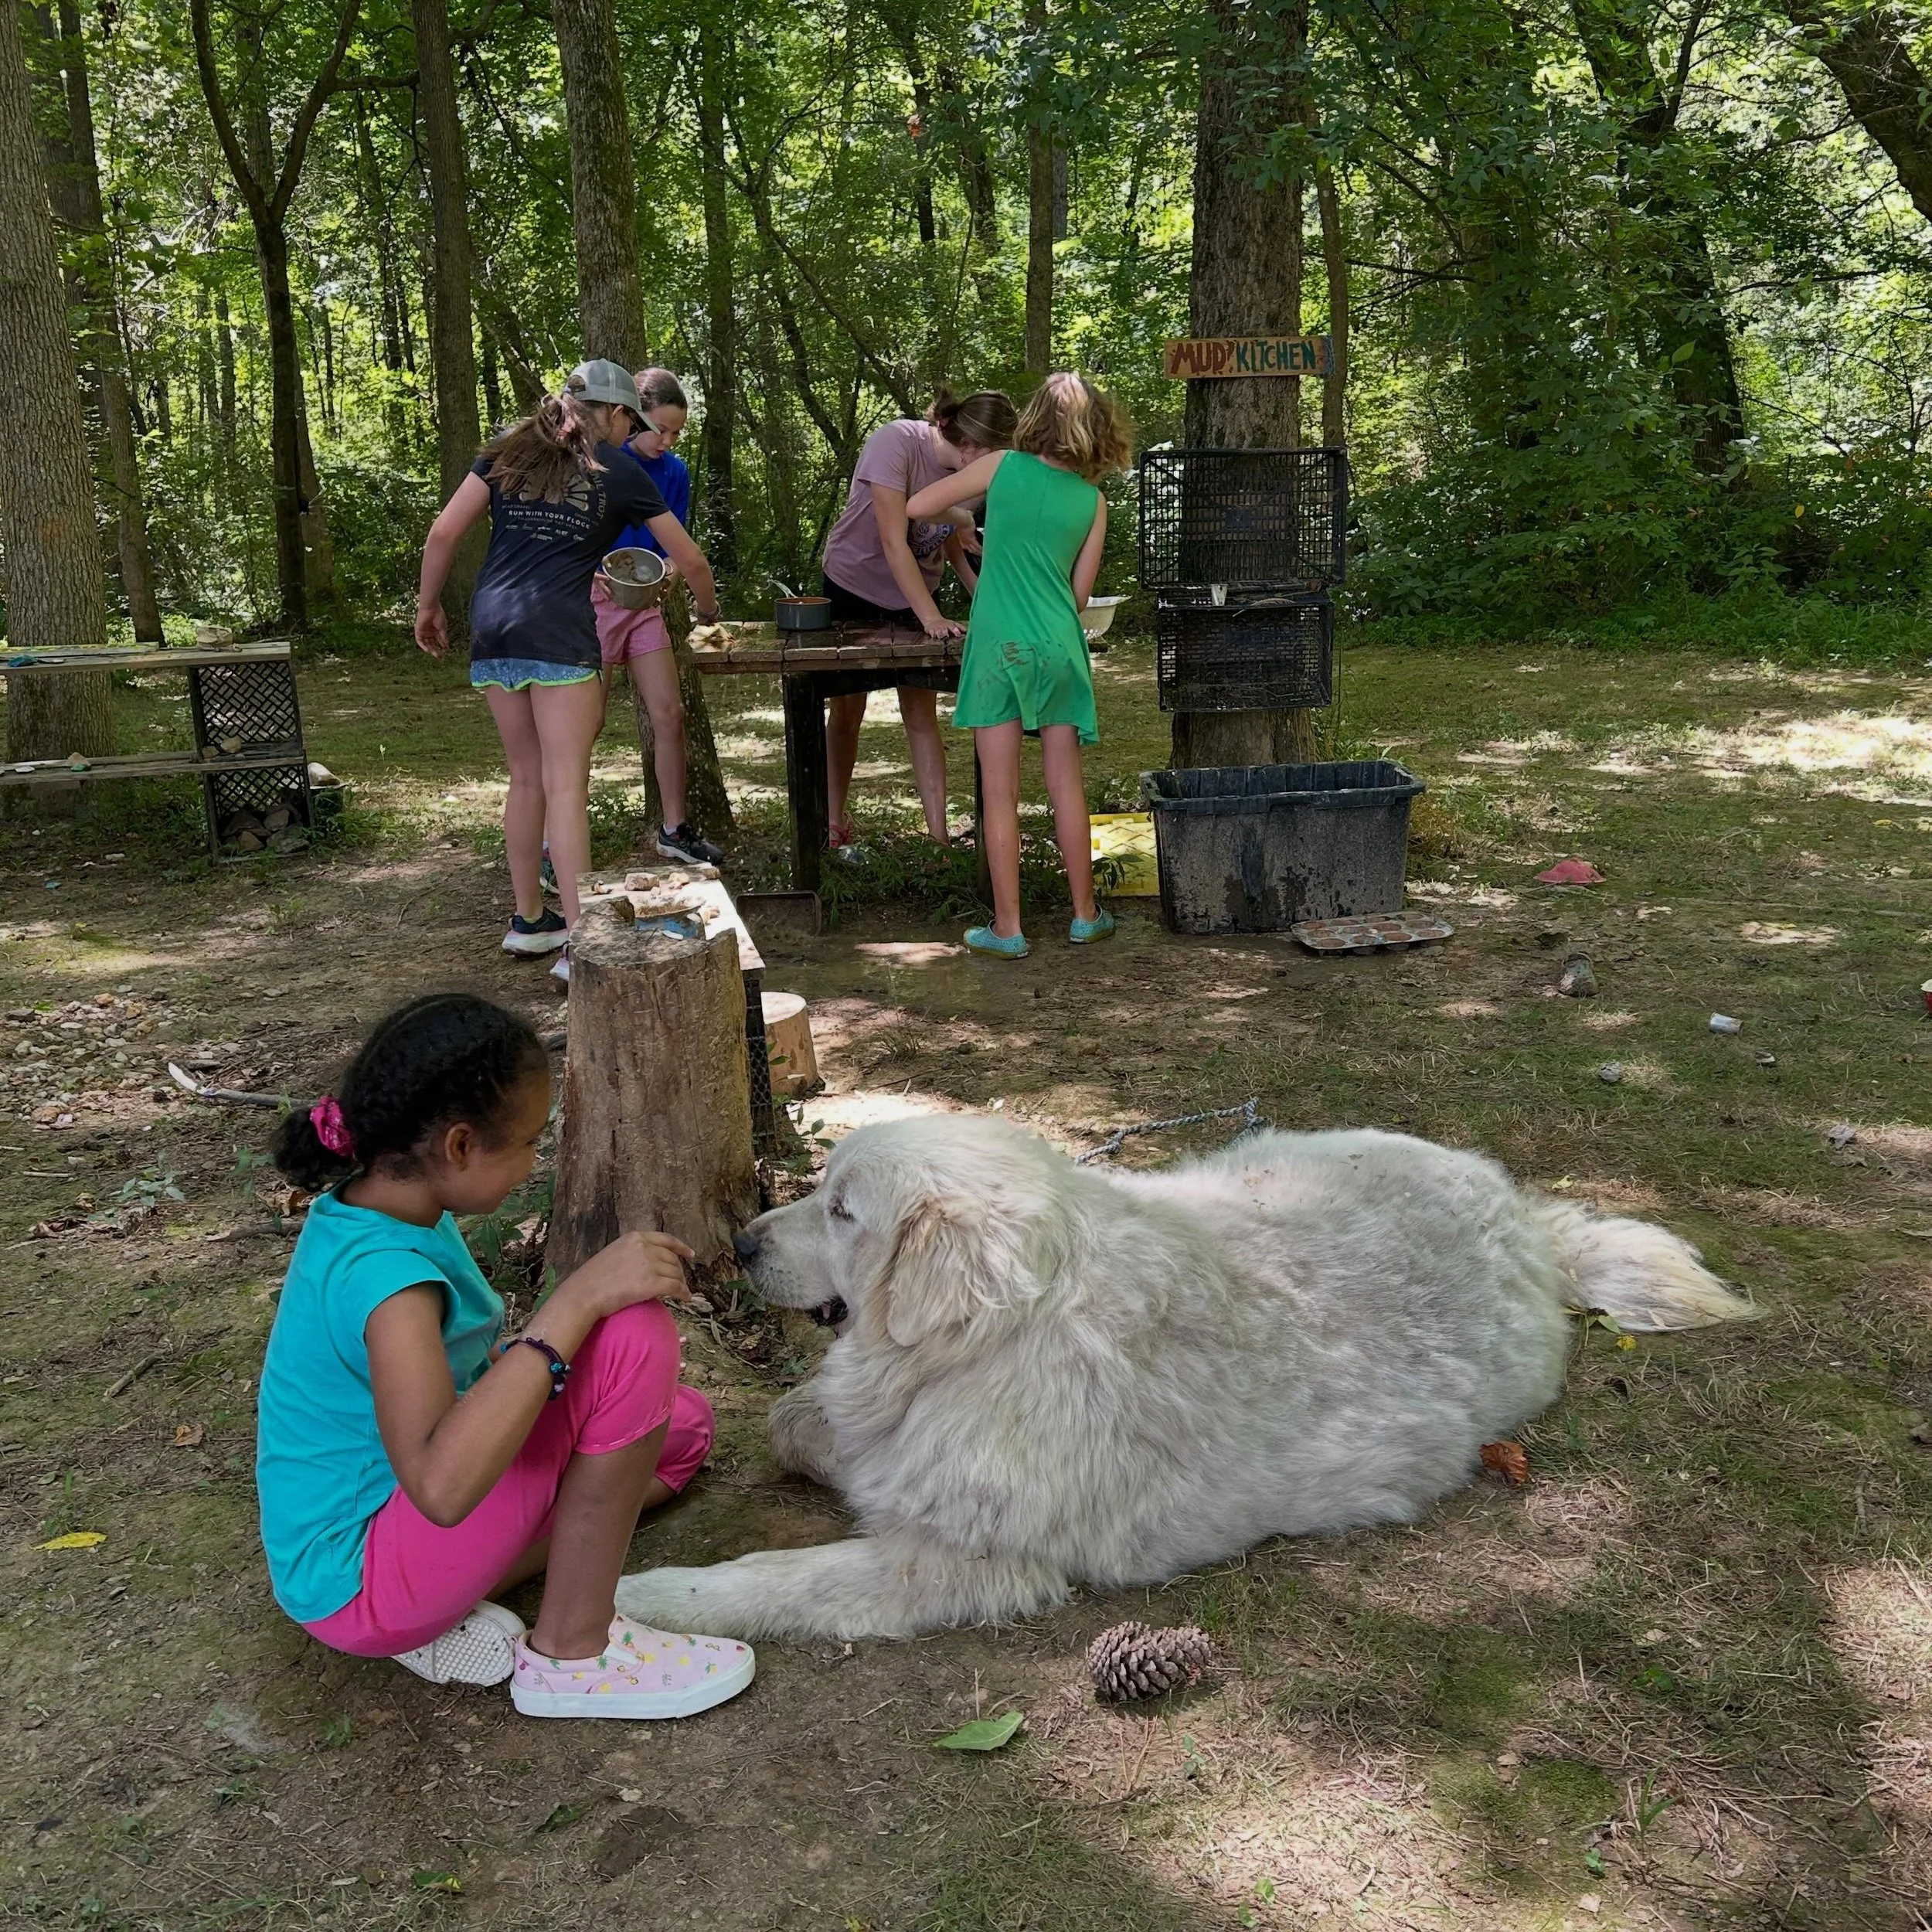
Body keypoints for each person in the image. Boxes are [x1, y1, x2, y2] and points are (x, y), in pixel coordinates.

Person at [255, 992, 755, 1720]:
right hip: (360, 1581)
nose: (533, 1163)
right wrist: (574, 1303)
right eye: (527, 1142)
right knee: (634, 1336)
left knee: (677, 1431)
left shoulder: (387, 1206)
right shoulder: (388, 1284)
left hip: (395, 1528)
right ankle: (572, 1652)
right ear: (460, 1147)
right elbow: (440, 1488)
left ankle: (460, 1595)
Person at [414, 361, 718, 985]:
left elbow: (443, 532)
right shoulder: (619, 470)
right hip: (559, 632)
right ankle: (580, 947)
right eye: (630, 421)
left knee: (526, 777)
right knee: (565, 786)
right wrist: (710, 613)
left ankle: (530, 920)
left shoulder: (508, 448)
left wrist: (427, 606)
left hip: (495, 625)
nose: (630, 432)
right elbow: (689, 559)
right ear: (613, 412)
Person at [906, 372, 1133, 958]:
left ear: (1036, 419)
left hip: (998, 647)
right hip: (1059, 646)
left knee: (1000, 792)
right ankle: (1085, 915)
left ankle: (1008, 929)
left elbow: (918, 506)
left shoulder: (1000, 466)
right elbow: (1078, 597)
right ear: (1094, 430)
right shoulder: (1093, 501)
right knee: (1066, 785)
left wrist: (969, 520)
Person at [818, 390, 1017, 846]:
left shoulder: (974, 469)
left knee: (921, 711)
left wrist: (978, 592)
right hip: (854, 585)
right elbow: (894, 541)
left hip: (918, 593)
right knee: (847, 711)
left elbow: (946, 535)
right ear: (969, 445)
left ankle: (938, 839)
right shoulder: (896, 442)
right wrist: (930, 616)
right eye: (996, 452)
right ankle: (833, 825)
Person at [594, 366, 723, 867]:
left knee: (670, 713)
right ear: (633, 418)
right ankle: (553, 839)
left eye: (676, 434)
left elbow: (676, 548)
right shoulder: (601, 462)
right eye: (660, 430)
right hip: (596, 605)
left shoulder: (675, 473)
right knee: (587, 722)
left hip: (645, 605)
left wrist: (669, 572)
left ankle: (674, 830)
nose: (666, 442)